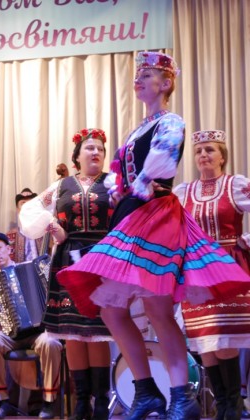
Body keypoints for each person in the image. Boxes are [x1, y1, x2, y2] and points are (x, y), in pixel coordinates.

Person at [58, 51, 250, 420]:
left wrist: (140, 182)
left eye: (147, 75)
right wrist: (120, 189)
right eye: (138, 75)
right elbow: (123, 173)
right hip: (130, 215)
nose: (139, 80)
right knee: (111, 310)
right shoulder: (136, 130)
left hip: (156, 212)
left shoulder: (171, 121)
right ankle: (146, 392)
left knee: (158, 309)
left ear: (165, 84)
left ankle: (181, 396)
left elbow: (162, 159)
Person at [19, 128, 113, 419]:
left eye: (100, 149)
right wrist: (52, 225)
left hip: (102, 258)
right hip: (68, 260)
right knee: (73, 332)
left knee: (98, 331)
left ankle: (100, 401)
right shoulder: (61, 186)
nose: (95, 152)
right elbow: (29, 211)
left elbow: (130, 214)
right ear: (77, 156)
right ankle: (81, 401)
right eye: (90, 148)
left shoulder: (113, 183)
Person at [174, 129, 250, 419]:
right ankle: (223, 405)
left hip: (228, 268)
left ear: (222, 157)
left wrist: (247, 240)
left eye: (209, 150)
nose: (203, 155)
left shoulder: (235, 185)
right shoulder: (183, 192)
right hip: (196, 271)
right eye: (198, 151)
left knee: (225, 339)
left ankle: (234, 405)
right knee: (205, 341)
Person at [0, 230, 63, 420]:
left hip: (38, 333)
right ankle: (1, 402)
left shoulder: (31, 270)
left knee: (51, 343)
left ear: (9, 249)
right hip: (10, 336)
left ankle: (49, 402)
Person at [6, 188, 44, 264]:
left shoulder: (45, 232)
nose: (27, 207)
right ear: (18, 209)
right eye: (23, 203)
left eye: (31, 203)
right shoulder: (10, 236)